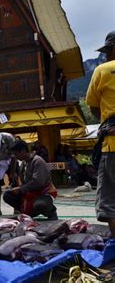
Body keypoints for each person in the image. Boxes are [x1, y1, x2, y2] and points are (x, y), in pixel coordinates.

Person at [86, 30, 115, 237]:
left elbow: (93, 108)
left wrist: (107, 120)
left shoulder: (102, 70)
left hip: (113, 147)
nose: (105, 55)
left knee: (110, 202)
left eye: (107, 51)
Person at [3, 140, 58, 220]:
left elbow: (38, 182)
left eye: (16, 154)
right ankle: (27, 213)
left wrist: (21, 189)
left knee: (40, 204)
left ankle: (51, 212)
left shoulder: (37, 161)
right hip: (29, 192)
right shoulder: (24, 163)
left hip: (42, 193)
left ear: (23, 151)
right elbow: (23, 181)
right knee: (8, 195)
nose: (15, 156)